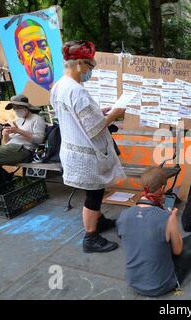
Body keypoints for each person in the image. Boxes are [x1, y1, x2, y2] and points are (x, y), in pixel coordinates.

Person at [50, 40, 126, 253]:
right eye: (91, 66)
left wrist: (100, 112)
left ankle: (98, 220)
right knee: (94, 195)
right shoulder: (78, 91)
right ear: (80, 64)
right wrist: (114, 114)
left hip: (72, 150)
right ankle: (90, 237)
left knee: (94, 192)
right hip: (86, 154)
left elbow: (75, 118)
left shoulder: (58, 87)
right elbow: (94, 129)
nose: (91, 71)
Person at [116, 167, 191, 297]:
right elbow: (177, 250)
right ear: (161, 189)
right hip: (161, 285)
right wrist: (173, 220)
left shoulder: (124, 215)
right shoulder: (167, 218)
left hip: (134, 282)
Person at [0, 94, 46, 191]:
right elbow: (7, 142)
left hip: (22, 150)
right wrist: (5, 134)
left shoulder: (37, 119)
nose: (16, 110)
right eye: (14, 108)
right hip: (9, 149)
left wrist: (19, 131)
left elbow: (39, 139)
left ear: (26, 107)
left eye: (18, 107)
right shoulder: (18, 120)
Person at [14, 19, 54, 106]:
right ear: (20, 57)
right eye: (29, 49)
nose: (39, 56)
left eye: (43, 45)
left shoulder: (65, 88)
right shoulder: (26, 100)